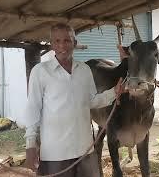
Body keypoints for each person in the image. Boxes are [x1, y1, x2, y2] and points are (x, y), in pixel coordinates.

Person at [24, 23, 125, 176]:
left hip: (85, 151)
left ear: (75, 43)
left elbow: (91, 101)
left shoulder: (84, 70)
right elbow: (33, 108)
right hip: (55, 154)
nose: (62, 45)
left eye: (67, 40)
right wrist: (30, 144)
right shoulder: (40, 72)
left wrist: (114, 92)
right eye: (57, 41)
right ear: (51, 45)